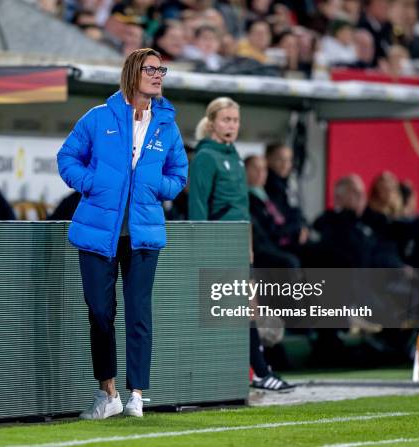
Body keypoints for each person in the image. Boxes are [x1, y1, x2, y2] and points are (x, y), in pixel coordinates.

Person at [56, 48, 188, 419]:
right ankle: (107, 393)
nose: (158, 74)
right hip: (98, 232)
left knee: (138, 314)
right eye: (151, 69)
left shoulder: (167, 125)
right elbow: (67, 157)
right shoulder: (99, 118)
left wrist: (153, 187)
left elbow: (179, 175)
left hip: (143, 234)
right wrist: (92, 183)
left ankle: (136, 395)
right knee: (100, 312)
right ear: (133, 73)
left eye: (161, 69)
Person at [188, 97, 293, 391]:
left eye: (235, 120)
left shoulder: (234, 156)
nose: (231, 125)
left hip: (237, 245)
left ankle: (255, 371)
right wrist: (201, 250)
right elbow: (198, 208)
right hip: (217, 244)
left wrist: (247, 246)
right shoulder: (205, 158)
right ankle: (256, 371)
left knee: (243, 309)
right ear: (211, 123)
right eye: (225, 120)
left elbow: (242, 207)